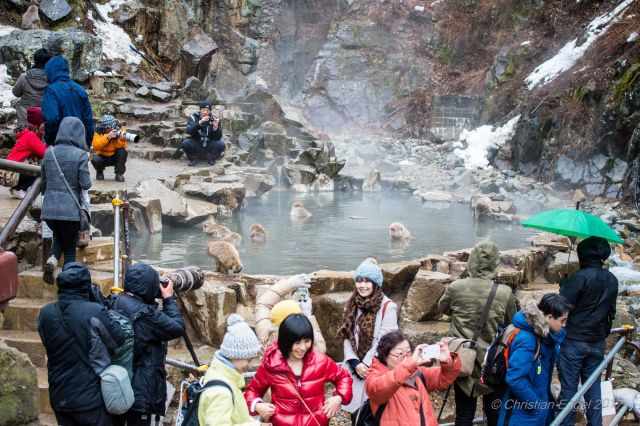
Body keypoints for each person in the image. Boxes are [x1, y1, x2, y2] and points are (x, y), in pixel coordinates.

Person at [437, 240, 518, 426]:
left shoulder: (457, 287)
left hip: (464, 359)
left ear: (471, 261)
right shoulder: (504, 292)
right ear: (495, 263)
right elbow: (511, 322)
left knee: (464, 414)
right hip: (492, 361)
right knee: (494, 414)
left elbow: (443, 308)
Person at [37, 262, 125, 426]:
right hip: (90, 398)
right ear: (87, 287)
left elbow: (47, 341)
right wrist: (103, 306)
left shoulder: (45, 314)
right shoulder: (94, 312)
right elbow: (118, 340)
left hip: (59, 395)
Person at [244, 313, 353, 426]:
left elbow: (344, 377)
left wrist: (339, 397)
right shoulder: (271, 364)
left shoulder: (320, 361)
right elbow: (251, 391)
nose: (303, 347)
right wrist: (257, 405)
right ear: (286, 341)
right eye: (297, 343)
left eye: (307, 341)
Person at [111, 263, 185, 426]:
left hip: (117, 382)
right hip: (141, 389)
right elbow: (177, 327)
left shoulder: (115, 301)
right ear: (148, 287)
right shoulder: (146, 315)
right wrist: (168, 299)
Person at [557, 236, 619, 426]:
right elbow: (611, 311)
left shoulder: (579, 277)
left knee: (569, 390)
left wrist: (564, 285)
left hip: (574, 341)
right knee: (593, 388)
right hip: (597, 342)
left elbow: (562, 306)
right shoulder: (612, 279)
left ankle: (565, 423)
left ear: (582, 256)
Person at [337, 258, 398, 416]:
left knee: (374, 412)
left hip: (375, 367)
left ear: (376, 283)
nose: (362, 285)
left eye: (367, 281)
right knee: (356, 413)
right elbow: (347, 334)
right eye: (359, 280)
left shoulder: (387, 307)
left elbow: (385, 341)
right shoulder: (352, 304)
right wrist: (354, 361)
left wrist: (365, 363)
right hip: (354, 367)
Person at [497, 294, 571, 425]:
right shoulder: (528, 340)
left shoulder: (544, 336)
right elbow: (515, 378)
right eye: (562, 320)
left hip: (532, 408)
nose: (565, 325)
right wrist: (537, 406)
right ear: (548, 317)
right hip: (522, 413)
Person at [365, 330, 461, 425]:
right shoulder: (375, 375)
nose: (405, 358)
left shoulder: (417, 372)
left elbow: (443, 378)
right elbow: (378, 389)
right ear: (384, 355)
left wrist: (447, 361)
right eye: (399, 354)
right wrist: (409, 365)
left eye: (408, 353)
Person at [40, 117, 91, 285]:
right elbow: (85, 184)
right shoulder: (81, 155)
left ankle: (52, 261)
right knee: (70, 249)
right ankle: (67, 285)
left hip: (49, 210)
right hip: (70, 212)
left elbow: (44, 182)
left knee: (58, 237)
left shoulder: (49, 152)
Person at [198, 314, 261, 426]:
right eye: (249, 359)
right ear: (236, 355)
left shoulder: (220, 374)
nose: (250, 365)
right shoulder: (221, 392)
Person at [41, 55, 94, 147]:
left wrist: (49, 140)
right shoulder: (80, 89)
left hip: (60, 143)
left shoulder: (51, 91)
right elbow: (88, 120)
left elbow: (52, 119)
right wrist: (88, 142)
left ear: (50, 71)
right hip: (80, 142)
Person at [6, 106, 47, 199]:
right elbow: (45, 153)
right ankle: (19, 188)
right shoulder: (31, 136)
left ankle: (19, 188)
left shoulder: (28, 133)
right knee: (42, 169)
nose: (45, 125)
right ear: (37, 124)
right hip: (11, 174)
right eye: (43, 123)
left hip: (9, 171)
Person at [12, 48, 50, 128]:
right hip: (44, 118)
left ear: (35, 60)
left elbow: (15, 93)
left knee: (17, 102)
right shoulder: (52, 79)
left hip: (26, 117)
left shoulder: (24, 77)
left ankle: (23, 129)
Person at [180, 100, 224, 166]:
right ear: (200, 110)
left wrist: (216, 127)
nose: (205, 112)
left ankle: (211, 158)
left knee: (220, 144)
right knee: (186, 143)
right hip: (197, 142)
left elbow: (217, 137)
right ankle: (193, 159)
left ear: (210, 111)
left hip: (209, 143)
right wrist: (199, 123)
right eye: (203, 110)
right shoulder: (193, 117)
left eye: (208, 110)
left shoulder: (214, 118)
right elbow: (189, 131)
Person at [91, 115, 129, 182]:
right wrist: (108, 137)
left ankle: (119, 174)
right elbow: (96, 146)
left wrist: (118, 139)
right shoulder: (98, 131)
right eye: (106, 127)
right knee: (94, 159)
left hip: (114, 156)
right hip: (102, 156)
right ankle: (99, 172)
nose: (107, 129)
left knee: (123, 152)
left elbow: (122, 146)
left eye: (108, 127)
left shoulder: (120, 130)